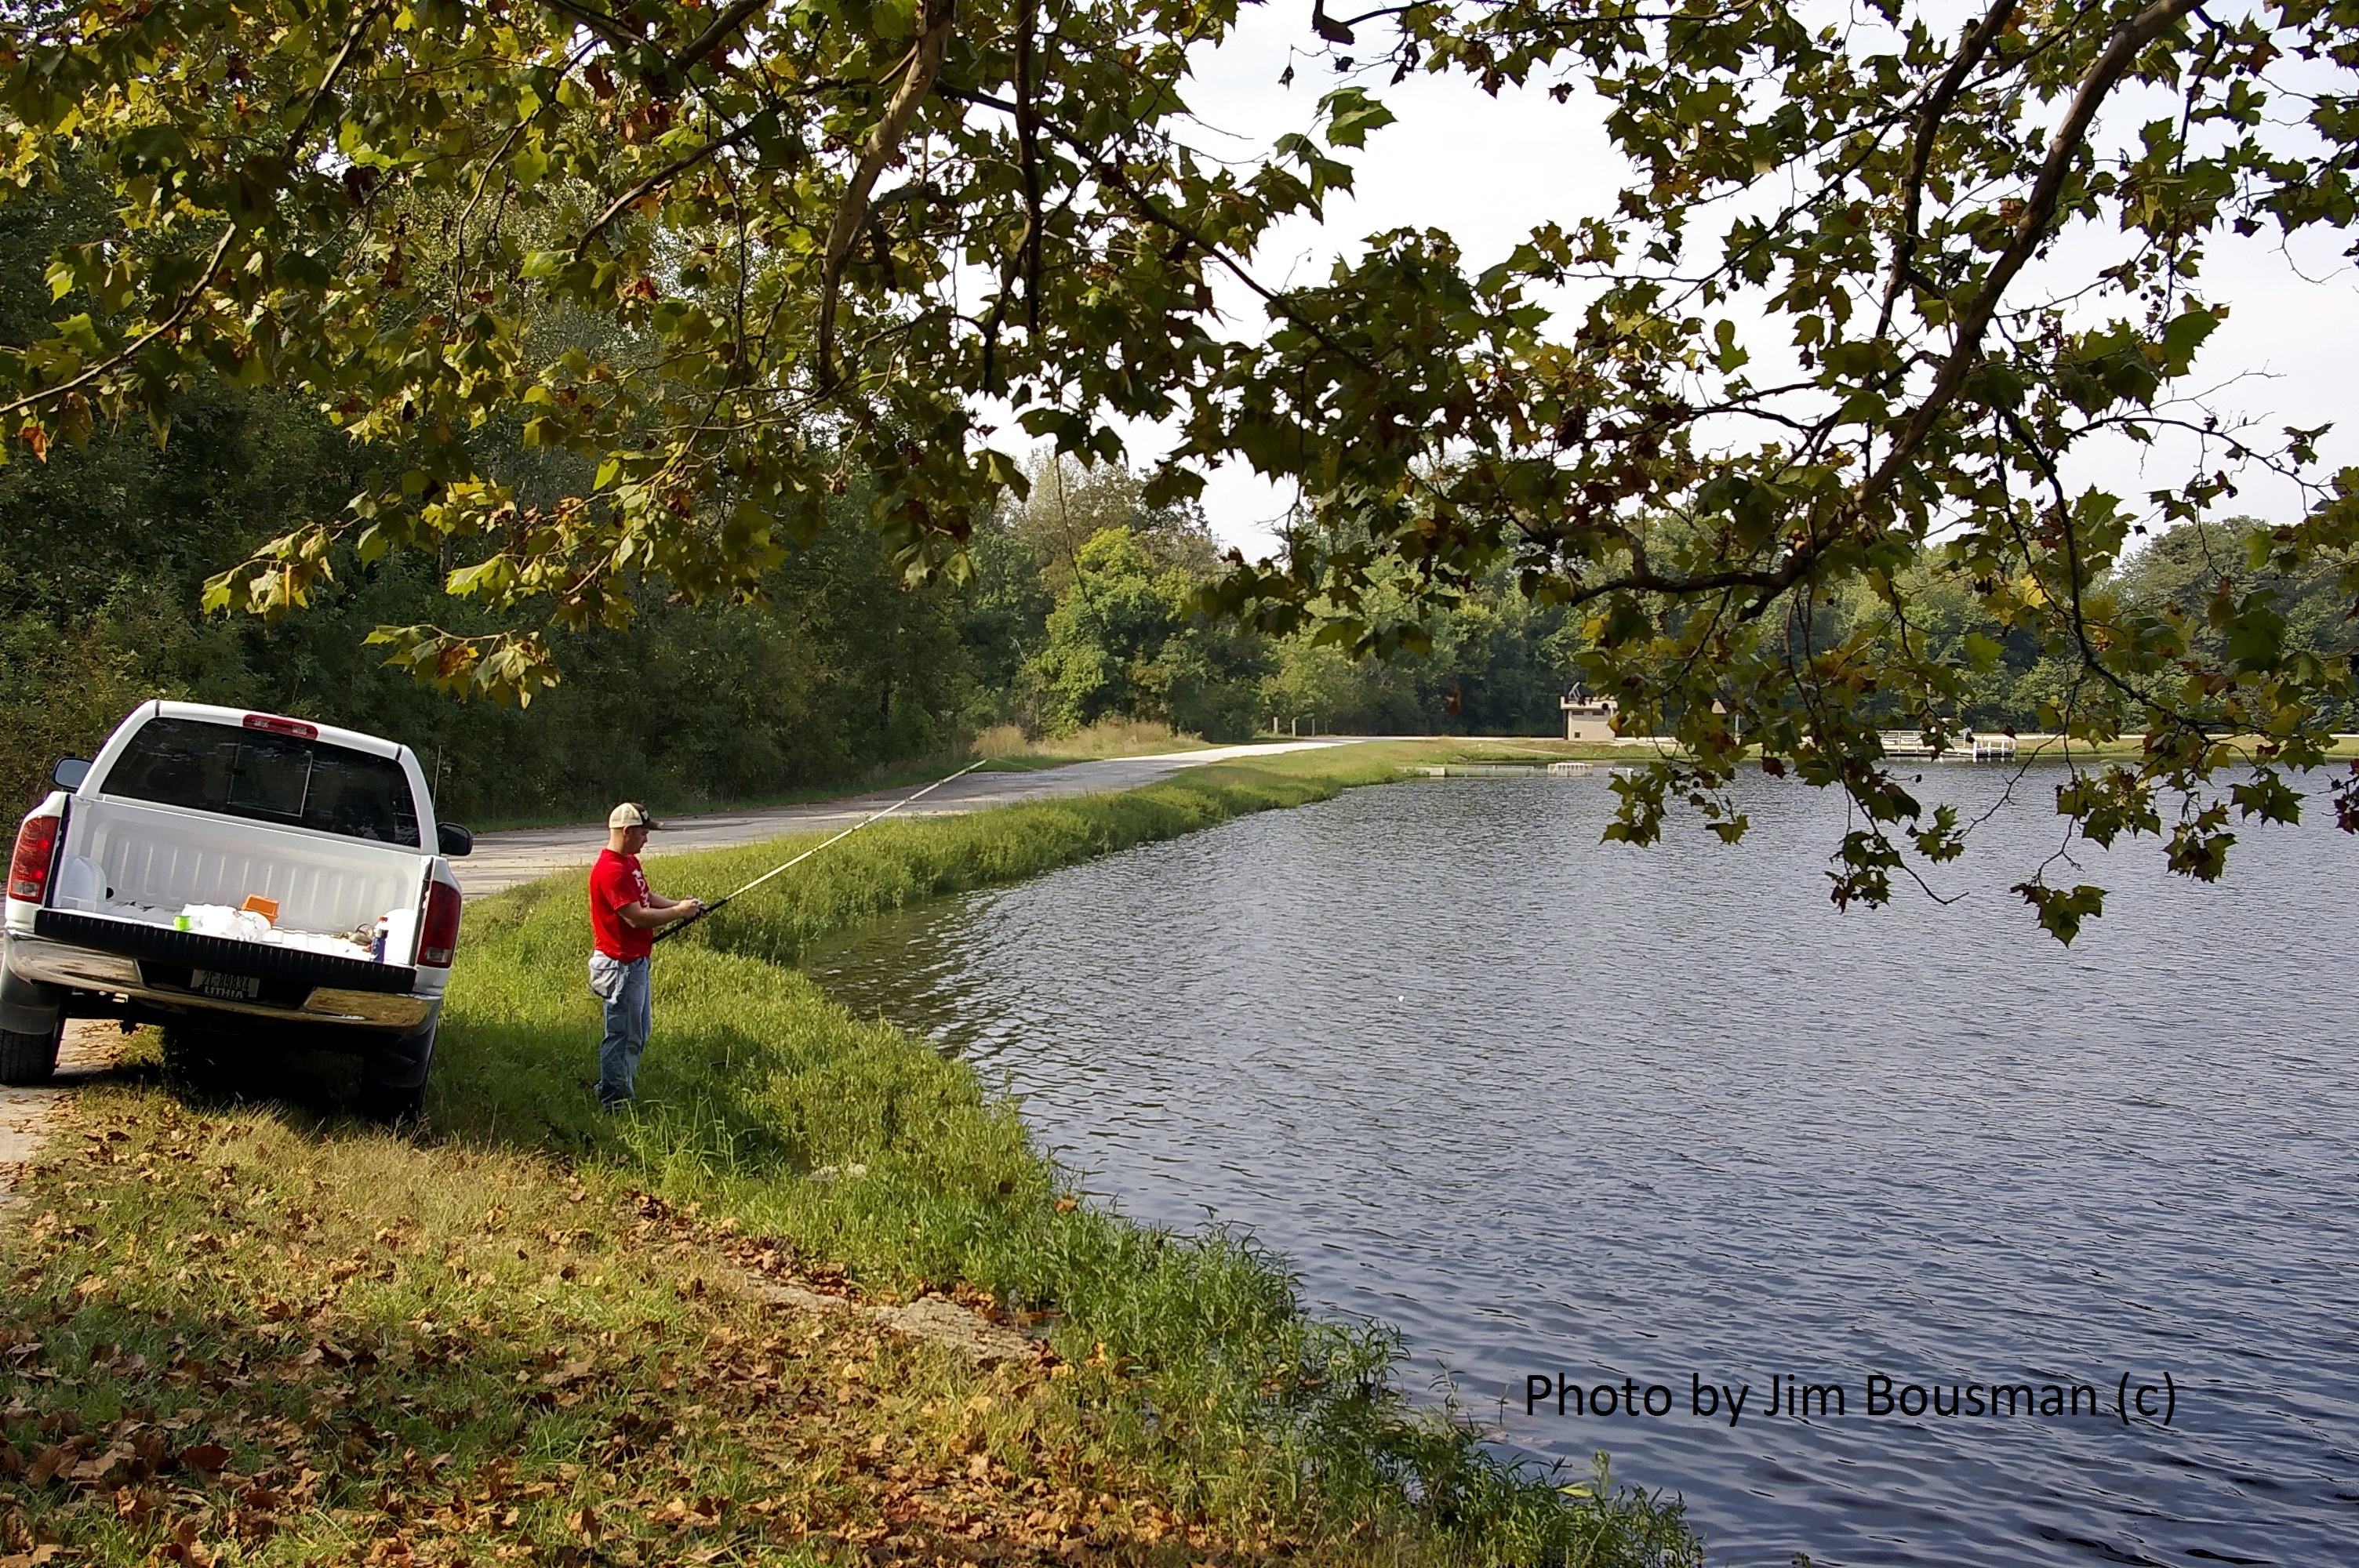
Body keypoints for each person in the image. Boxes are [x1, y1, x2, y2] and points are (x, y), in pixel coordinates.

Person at [587, 803, 703, 1109]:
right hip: (619, 965)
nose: (646, 840)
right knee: (622, 1035)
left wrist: (680, 907)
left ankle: (616, 1087)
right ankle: (614, 1101)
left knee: (638, 1032)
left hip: (635, 962)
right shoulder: (611, 871)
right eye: (642, 833)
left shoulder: (629, 863)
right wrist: (678, 912)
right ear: (626, 832)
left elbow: (646, 897)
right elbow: (636, 917)